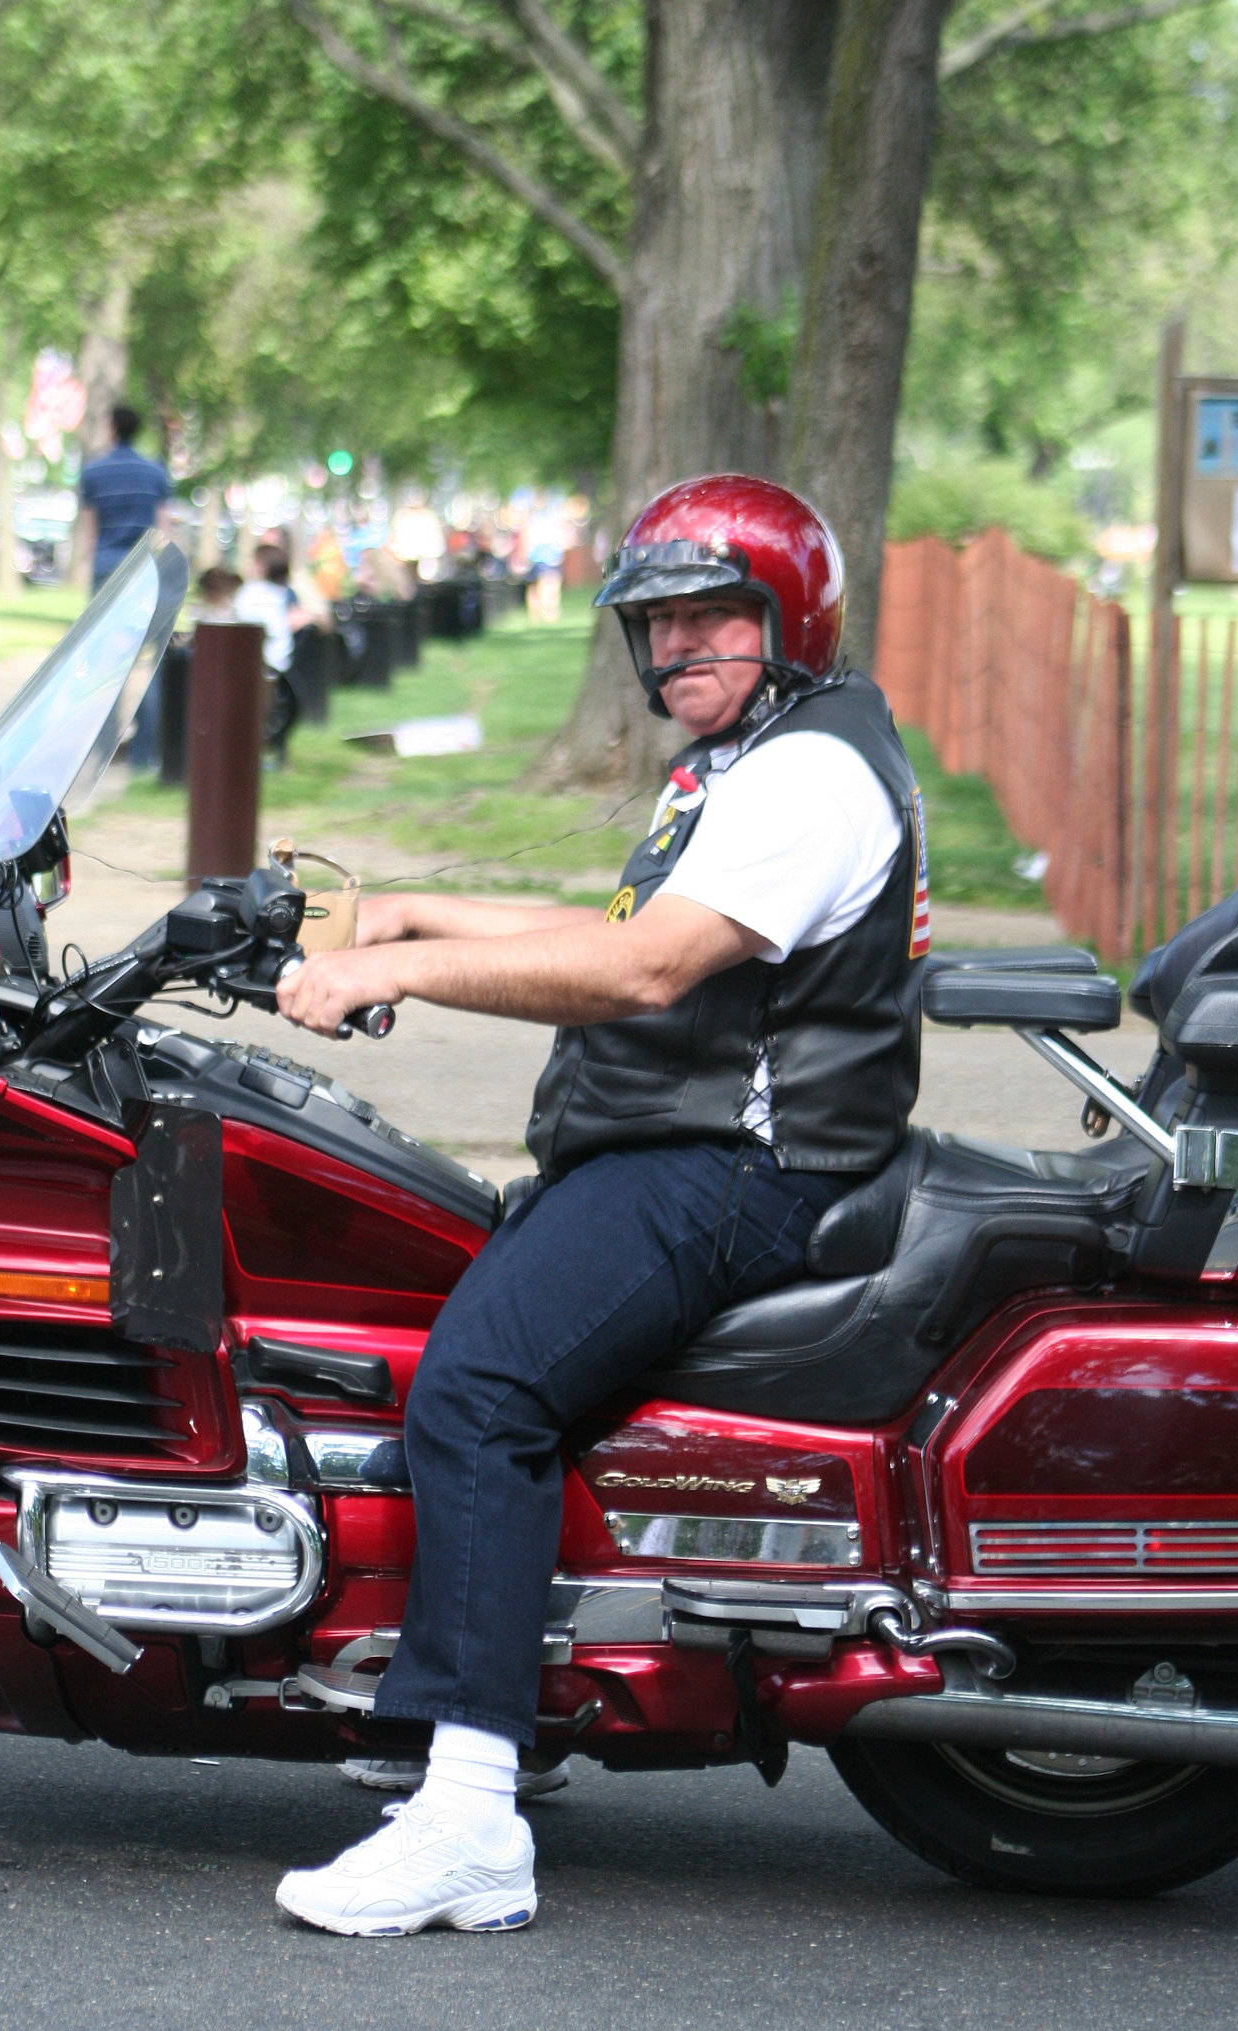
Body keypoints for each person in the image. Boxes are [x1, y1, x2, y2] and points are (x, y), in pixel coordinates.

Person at [273, 474, 928, 1939]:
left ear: (788, 616)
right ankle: (476, 1703)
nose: (680, 646)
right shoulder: (756, 755)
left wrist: (391, 971)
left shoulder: (807, 777)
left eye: (715, 616)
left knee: (480, 1390)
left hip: (737, 1171)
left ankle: (466, 1818)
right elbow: (625, 926)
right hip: (697, 1148)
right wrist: (409, 909)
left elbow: (640, 973)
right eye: (659, 621)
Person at [77, 405, 173, 768]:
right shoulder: (154, 472)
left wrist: (90, 561)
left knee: (104, 663)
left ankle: (105, 748)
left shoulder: (94, 472)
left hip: (106, 572)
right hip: (145, 571)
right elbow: (163, 528)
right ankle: (144, 752)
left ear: (113, 427)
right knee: (148, 658)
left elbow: (90, 529)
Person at [234, 543, 310, 764]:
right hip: (282, 668)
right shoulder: (283, 595)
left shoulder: (251, 594)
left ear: (260, 567)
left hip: (256, 668)